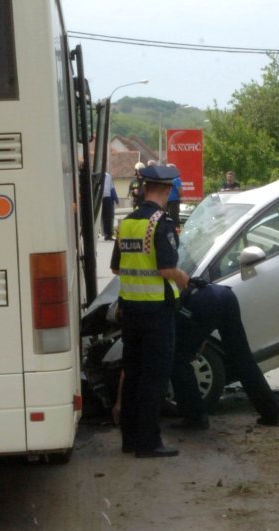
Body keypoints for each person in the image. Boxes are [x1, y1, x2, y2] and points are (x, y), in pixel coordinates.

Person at [110, 163, 189, 458]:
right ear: (167, 190)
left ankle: (130, 439)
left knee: (133, 374)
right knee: (154, 377)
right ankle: (149, 443)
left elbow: (116, 267)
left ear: (143, 188)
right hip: (157, 311)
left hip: (130, 310)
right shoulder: (160, 223)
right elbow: (167, 268)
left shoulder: (128, 223)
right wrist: (184, 280)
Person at [170, 279, 279, 430]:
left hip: (201, 304)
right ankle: (272, 413)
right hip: (224, 295)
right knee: (243, 359)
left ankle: (195, 418)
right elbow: (198, 332)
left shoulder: (160, 305)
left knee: (178, 362)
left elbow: (184, 330)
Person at [101, 171, 119, 240]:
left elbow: (112, 188)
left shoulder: (108, 176)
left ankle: (108, 234)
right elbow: (112, 189)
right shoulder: (107, 176)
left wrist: (116, 199)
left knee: (107, 217)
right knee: (107, 217)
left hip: (105, 198)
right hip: (103, 198)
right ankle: (107, 234)